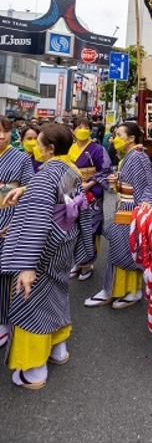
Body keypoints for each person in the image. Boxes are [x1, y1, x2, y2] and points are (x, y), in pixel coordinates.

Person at [0, 123, 93, 389]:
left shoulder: (44, 176)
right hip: (64, 242)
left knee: (30, 304)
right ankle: (58, 350)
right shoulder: (70, 168)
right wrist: (25, 191)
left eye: (38, 143)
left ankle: (35, 369)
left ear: (50, 149)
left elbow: (36, 222)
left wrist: (27, 266)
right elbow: (61, 195)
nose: (35, 147)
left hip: (43, 248)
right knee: (57, 294)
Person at [84, 122, 152, 309]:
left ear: (131, 138)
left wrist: (143, 209)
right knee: (127, 250)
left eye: (119, 134)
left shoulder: (137, 157)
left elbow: (146, 186)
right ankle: (125, 290)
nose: (114, 138)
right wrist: (117, 180)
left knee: (122, 250)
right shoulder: (133, 155)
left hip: (131, 208)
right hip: (127, 206)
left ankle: (114, 291)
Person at [0, 116, 34, 348]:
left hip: (6, 219)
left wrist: (19, 222)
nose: (2, 136)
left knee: (4, 273)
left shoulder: (21, 158)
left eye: (6, 131)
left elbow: (29, 191)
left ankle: (3, 321)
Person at [68, 117, 112, 281]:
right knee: (72, 229)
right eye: (79, 127)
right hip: (71, 193)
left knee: (89, 229)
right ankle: (76, 262)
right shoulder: (68, 148)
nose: (82, 130)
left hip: (91, 196)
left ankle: (87, 263)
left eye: (86, 127)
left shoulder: (98, 149)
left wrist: (90, 185)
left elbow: (105, 171)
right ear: (72, 130)